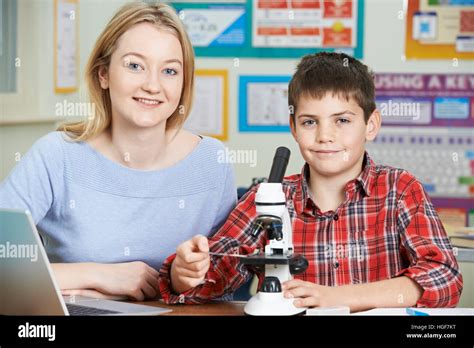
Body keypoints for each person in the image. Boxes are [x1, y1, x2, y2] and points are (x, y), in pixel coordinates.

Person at [159, 52, 463, 311]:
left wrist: (338, 298)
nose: (325, 136)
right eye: (309, 122)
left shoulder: (400, 190)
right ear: (293, 127)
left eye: (342, 120)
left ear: (371, 125)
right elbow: (217, 272)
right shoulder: (268, 197)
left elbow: (444, 277)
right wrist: (186, 272)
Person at [0, 2, 236, 301]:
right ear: (103, 74)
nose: (153, 85)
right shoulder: (57, 155)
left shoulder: (211, 161)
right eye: (135, 65)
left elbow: (226, 279)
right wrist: (102, 275)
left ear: (183, 83)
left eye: (169, 70)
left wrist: (182, 277)